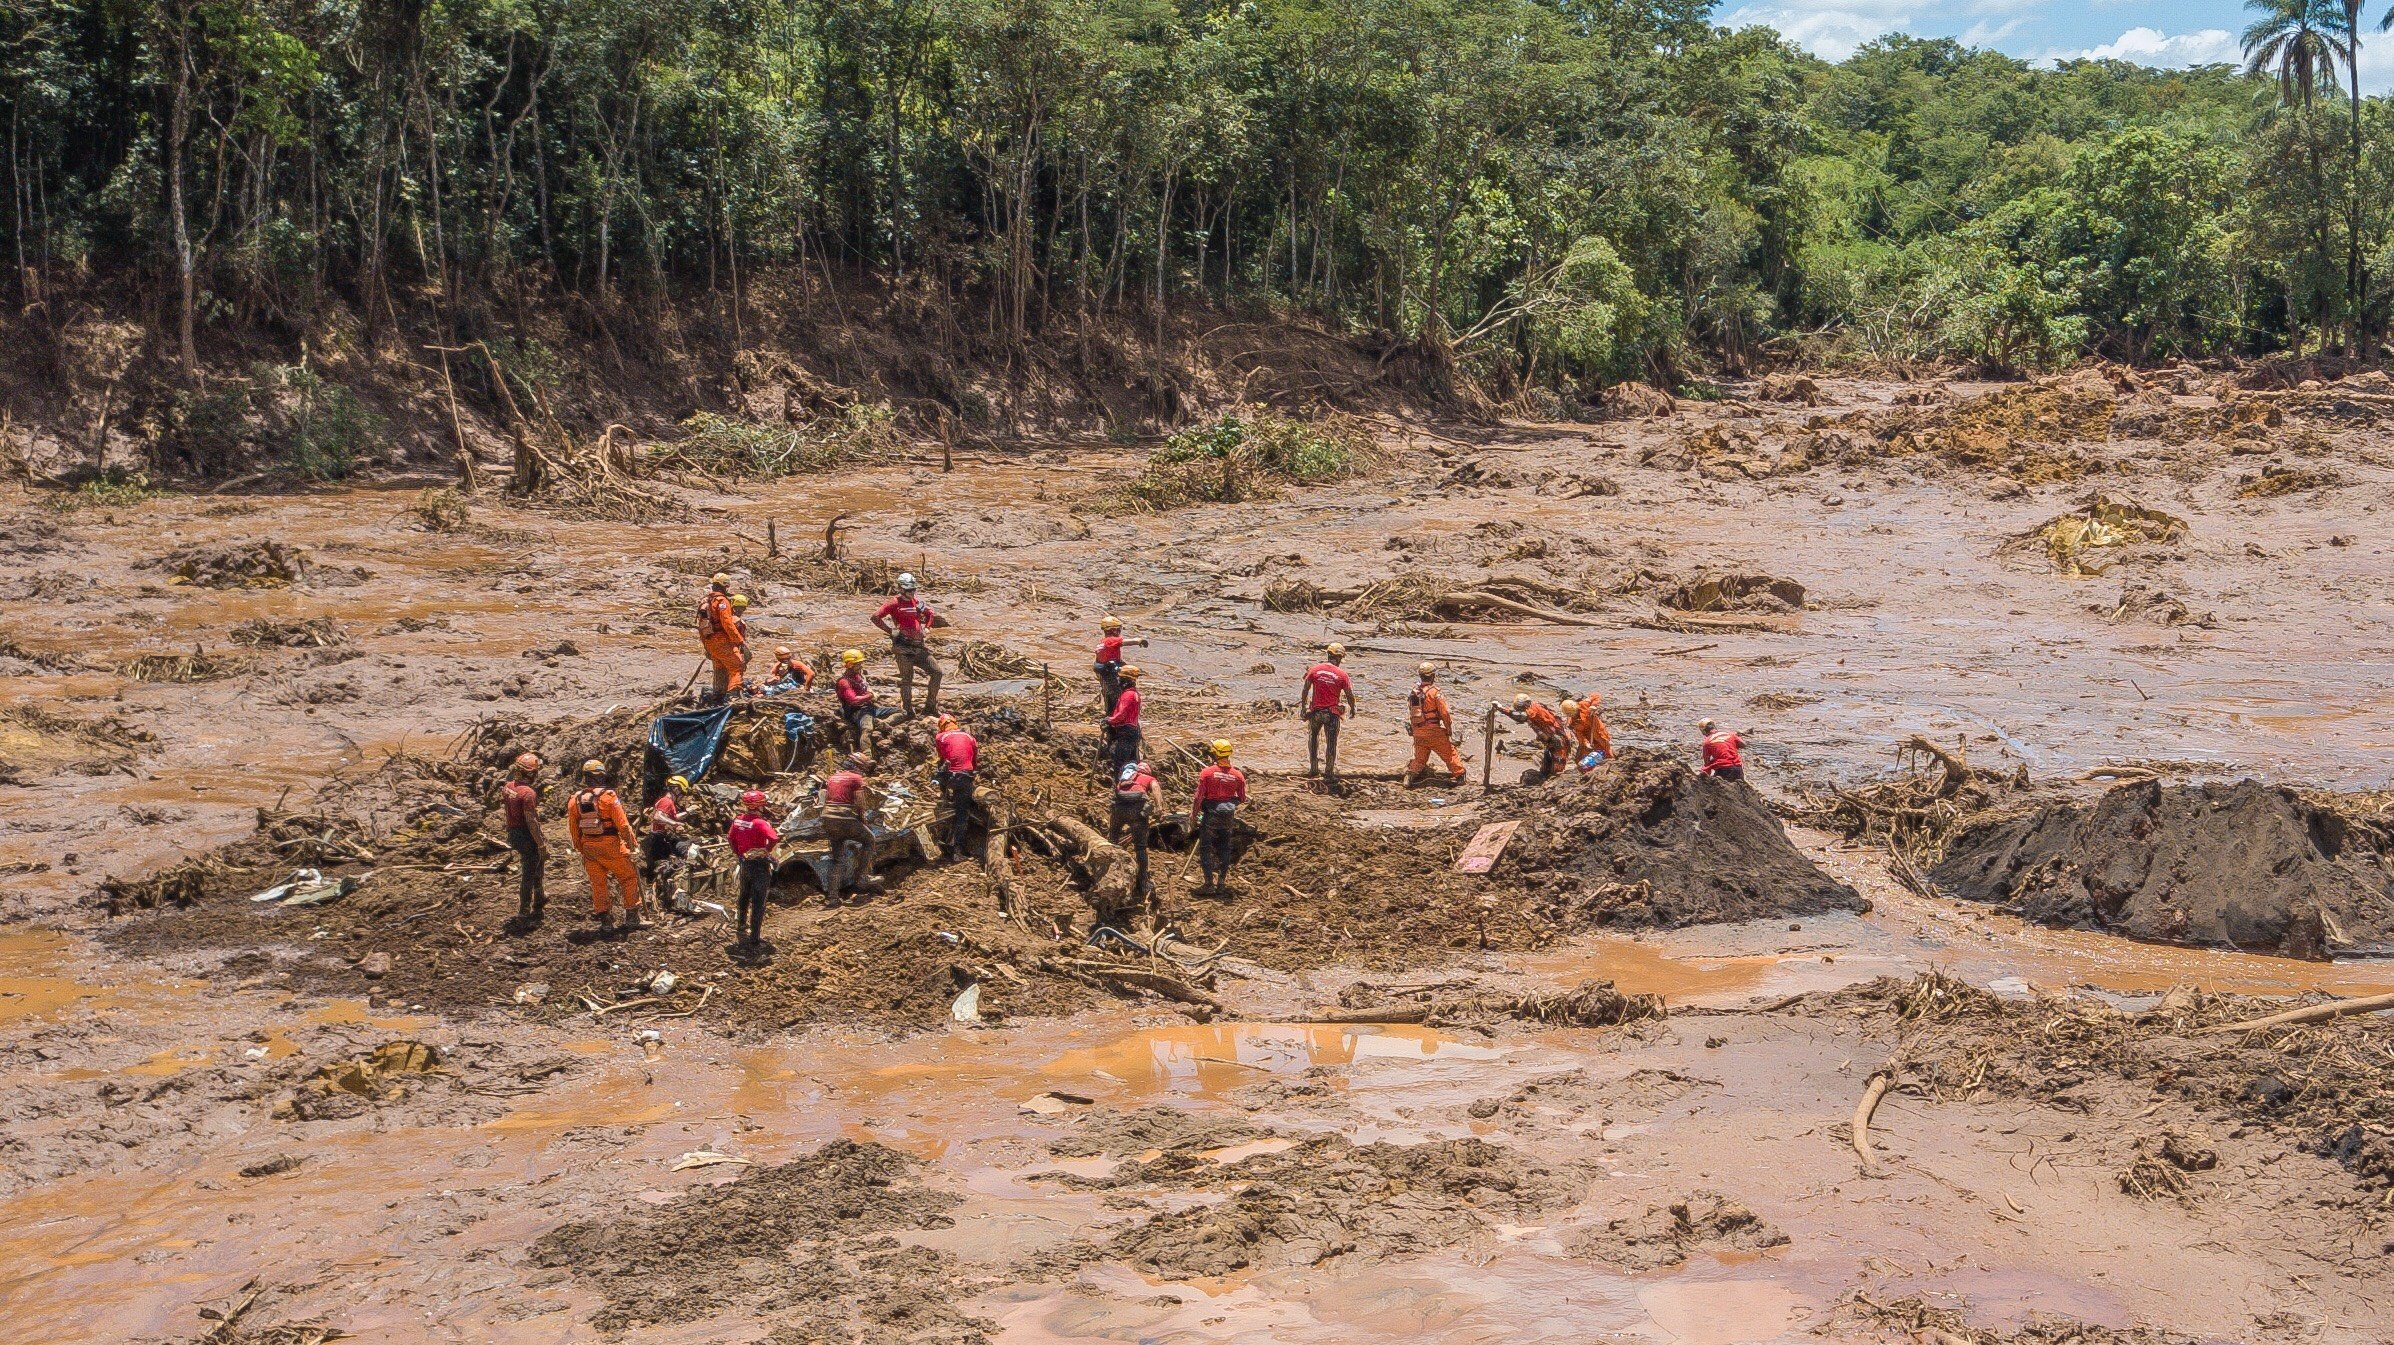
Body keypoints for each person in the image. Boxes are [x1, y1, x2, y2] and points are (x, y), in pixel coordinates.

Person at [565, 759, 643, 931]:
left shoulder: (574, 800)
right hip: (610, 845)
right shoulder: (608, 797)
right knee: (628, 877)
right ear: (601, 776)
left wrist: (581, 848)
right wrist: (633, 846)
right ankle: (632, 917)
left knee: (598, 884)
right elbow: (623, 825)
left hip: (588, 847)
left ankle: (606, 922)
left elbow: (573, 829)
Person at [872, 572, 942, 718]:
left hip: (919, 646)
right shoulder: (893, 603)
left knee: (937, 672)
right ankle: (908, 710)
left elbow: (930, 613)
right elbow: (875, 617)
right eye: (909, 590)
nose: (912, 592)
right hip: (903, 647)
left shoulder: (916, 602)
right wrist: (890, 631)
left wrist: (927, 628)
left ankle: (930, 706)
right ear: (901, 589)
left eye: (913, 589)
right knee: (907, 679)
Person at [818, 752, 883, 903]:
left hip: (827, 818)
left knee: (838, 859)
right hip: (844, 817)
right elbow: (860, 803)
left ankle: (833, 896)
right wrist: (863, 821)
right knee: (869, 840)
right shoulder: (856, 779)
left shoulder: (833, 777)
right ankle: (862, 878)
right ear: (859, 766)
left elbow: (827, 798)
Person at [1189, 739, 1248, 897]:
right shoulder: (1238, 775)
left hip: (1211, 815)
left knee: (1205, 848)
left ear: (1214, 753)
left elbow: (1198, 797)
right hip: (1228, 817)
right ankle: (1221, 883)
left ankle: (1208, 884)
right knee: (1224, 848)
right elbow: (1242, 798)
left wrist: (1193, 815)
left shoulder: (1207, 773)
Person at [728, 789, 779, 954]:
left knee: (744, 895)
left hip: (745, 863)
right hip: (759, 865)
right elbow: (774, 838)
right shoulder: (760, 822)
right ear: (759, 806)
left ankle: (741, 924)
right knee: (758, 901)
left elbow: (730, 838)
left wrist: (738, 854)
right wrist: (765, 850)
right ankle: (755, 939)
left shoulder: (738, 821)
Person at [1299, 643, 1357, 785]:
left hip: (1315, 712)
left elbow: (1305, 689)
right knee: (1331, 743)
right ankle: (1329, 772)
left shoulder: (1315, 669)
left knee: (1313, 740)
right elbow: (1349, 695)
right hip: (1331, 714)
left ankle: (1313, 769)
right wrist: (1353, 708)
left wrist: (1303, 707)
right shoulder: (1342, 675)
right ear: (1338, 658)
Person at [500, 753, 547, 924]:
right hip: (526, 834)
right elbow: (531, 820)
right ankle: (524, 909)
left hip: (513, 832)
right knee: (529, 870)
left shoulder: (508, 787)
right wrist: (541, 844)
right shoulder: (528, 793)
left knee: (535, 863)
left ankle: (540, 896)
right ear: (531, 773)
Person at [1108, 759, 1160, 909]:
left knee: (1113, 842)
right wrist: (1159, 809)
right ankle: (1143, 881)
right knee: (1140, 847)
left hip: (1118, 810)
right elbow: (1156, 791)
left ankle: (1113, 874)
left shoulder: (1126, 777)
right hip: (1137, 812)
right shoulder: (1149, 779)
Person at [1404, 663, 1466, 788]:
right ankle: (1460, 777)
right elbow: (1445, 713)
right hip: (1433, 731)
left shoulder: (1414, 693)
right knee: (1450, 754)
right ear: (1433, 676)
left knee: (1419, 759)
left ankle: (1409, 776)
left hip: (1418, 732)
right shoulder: (1435, 693)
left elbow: (1411, 712)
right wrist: (1449, 730)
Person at [644, 775, 698, 913]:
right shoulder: (666, 801)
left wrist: (687, 812)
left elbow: (670, 817)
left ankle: (660, 899)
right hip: (658, 840)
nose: (681, 795)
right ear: (676, 789)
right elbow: (657, 817)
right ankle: (664, 900)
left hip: (659, 839)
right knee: (668, 867)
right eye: (681, 792)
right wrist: (675, 824)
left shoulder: (668, 803)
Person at [932, 714, 979, 860]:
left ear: (941, 726)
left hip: (948, 778)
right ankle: (958, 849)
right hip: (964, 777)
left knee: (938, 770)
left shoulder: (940, 737)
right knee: (962, 814)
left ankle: (944, 794)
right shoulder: (970, 737)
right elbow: (974, 760)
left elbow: (941, 758)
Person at [698, 573, 747, 703]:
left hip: (710, 641)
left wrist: (706, 646)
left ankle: (718, 695)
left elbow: (701, 626)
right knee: (737, 666)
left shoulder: (706, 601)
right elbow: (727, 623)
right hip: (721, 640)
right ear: (725, 586)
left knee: (720, 667)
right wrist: (739, 640)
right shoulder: (722, 601)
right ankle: (733, 696)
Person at [1501, 694, 1570, 785]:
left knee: (1558, 764)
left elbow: (1521, 717)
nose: (1520, 709)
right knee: (1546, 764)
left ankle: (1555, 781)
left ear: (1527, 703)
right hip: (1550, 740)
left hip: (1557, 740)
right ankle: (1547, 778)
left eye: (1520, 707)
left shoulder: (1533, 710)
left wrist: (1502, 709)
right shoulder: (1534, 707)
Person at [834, 649, 895, 747]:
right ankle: (866, 755)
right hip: (856, 711)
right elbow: (854, 701)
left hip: (870, 708)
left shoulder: (858, 677)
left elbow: (864, 690)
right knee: (867, 729)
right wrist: (871, 695)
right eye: (858, 664)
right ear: (850, 665)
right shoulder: (844, 682)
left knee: (902, 712)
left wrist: (870, 694)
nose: (861, 666)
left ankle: (880, 723)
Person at [1093, 616, 1148, 713]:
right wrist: (1139, 640)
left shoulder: (1102, 642)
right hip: (1110, 672)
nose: (1119, 631)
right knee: (1115, 693)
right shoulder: (1111, 640)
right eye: (1118, 629)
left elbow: (1107, 657)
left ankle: (1110, 711)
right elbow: (1125, 642)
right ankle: (1115, 713)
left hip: (1104, 671)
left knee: (1108, 692)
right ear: (1113, 630)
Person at [1103, 664, 1144, 776]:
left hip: (1126, 732)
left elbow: (1121, 715)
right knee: (1130, 762)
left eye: (1120, 678)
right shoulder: (1133, 693)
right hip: (1131, 731)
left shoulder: (1128, 695)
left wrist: (1109, 720)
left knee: (1120, 763)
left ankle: (1119, 789)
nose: (1118, 680)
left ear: (1126, 680)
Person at [1563, 695, 1612, 769]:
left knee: (1607, 752)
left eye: (1575, 712)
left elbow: (1596, 696)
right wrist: (1586, 743)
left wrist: (1593, 706)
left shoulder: (1584, 704)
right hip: (1589, 739)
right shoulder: (1573, 723)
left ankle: (1611, 761)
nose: (1574, 714)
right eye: (1572, 714)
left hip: (1599, 732)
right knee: (1581, 759)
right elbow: (1579, 734)